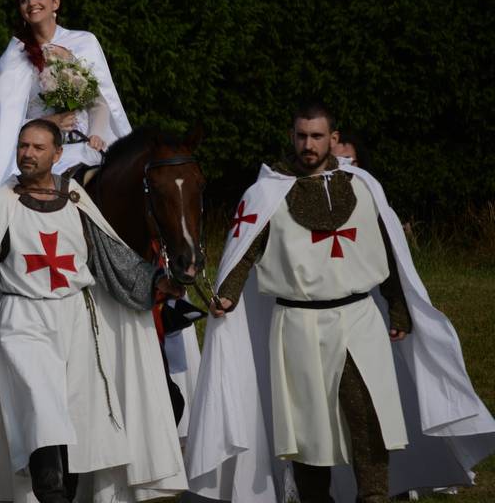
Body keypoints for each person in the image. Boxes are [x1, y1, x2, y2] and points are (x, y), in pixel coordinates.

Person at [185, 102, 495, 502]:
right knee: (306, 429)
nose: (308, 145)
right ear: (291, 137)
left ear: (333, 138)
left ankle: (375, 496)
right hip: (297, 325)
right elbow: (246, 248)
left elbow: (390, 251)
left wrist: (398, 307)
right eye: (301, 136)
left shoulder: (364, 186)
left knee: (369, 417)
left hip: (358, 319)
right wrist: (226, 294)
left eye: (316, 136)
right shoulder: (267, 193)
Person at [0, 119, 188, 503]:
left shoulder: (75, 198)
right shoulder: (1, 202)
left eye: (38, 148)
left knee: (75, 421)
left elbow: (109, 254)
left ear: (57, 155)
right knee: (42, 415)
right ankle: (52, 496)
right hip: (22, 321)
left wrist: (154, 281)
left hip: (76, 321)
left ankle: (67, 494)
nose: (27, 153)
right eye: (23, 146)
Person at [0, 0, 133, 245]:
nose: (32, 2)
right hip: (37, 147)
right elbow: (4, 118)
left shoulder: (84, 42)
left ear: (55, 2)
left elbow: (99, 100)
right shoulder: (14, 55)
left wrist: (96, 134)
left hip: (82, 143)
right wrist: (50, 122)